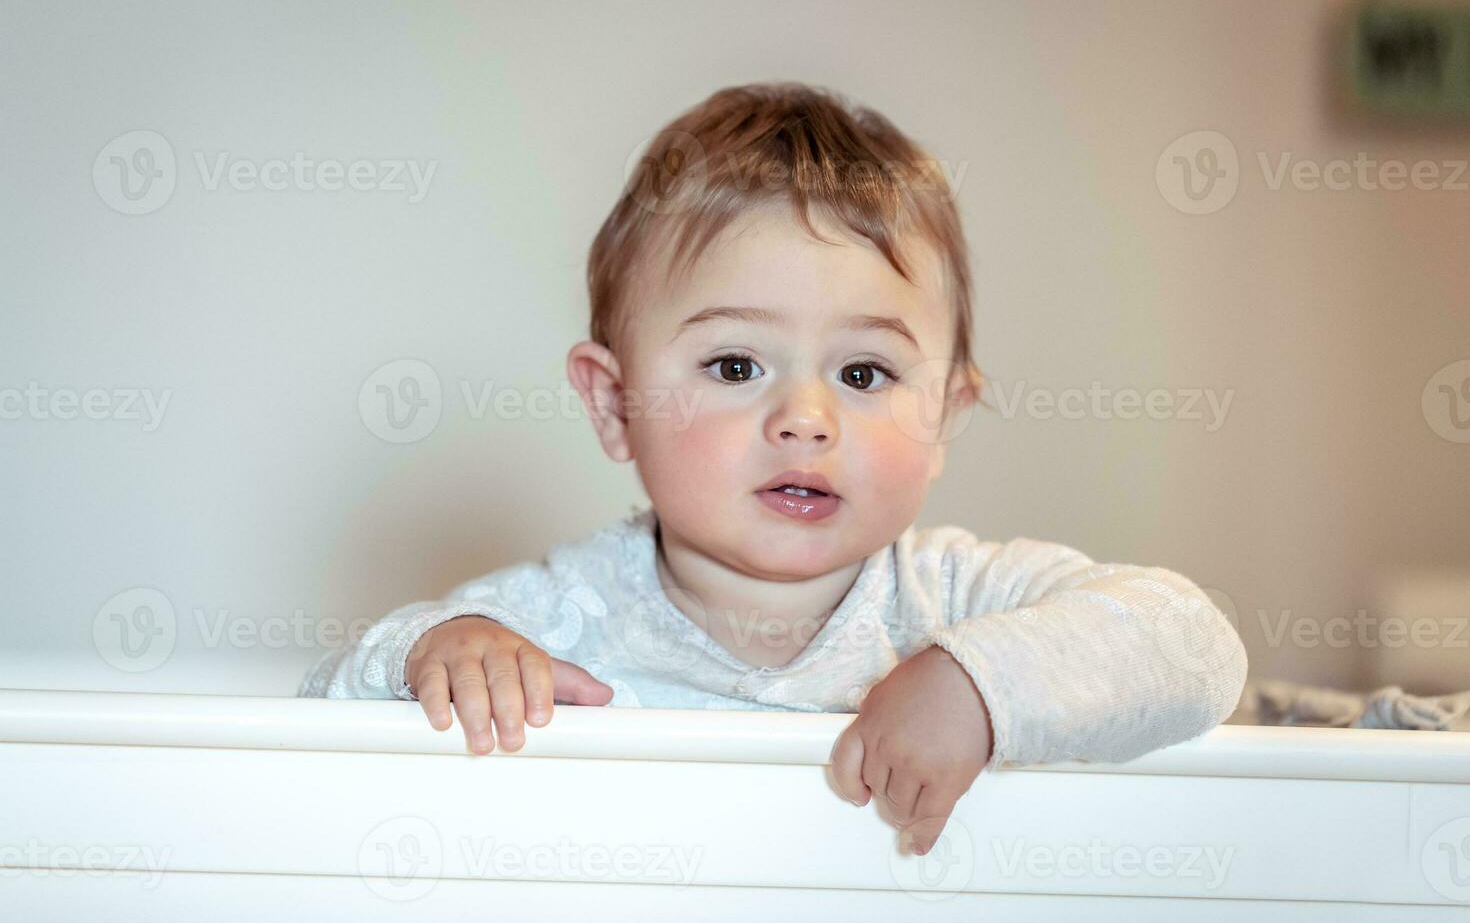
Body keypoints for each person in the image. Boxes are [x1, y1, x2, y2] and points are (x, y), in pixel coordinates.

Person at [301, 82, 1247, 856]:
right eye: (736, 366)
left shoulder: (965, 599)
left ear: (947, 411)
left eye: (865, 373)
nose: (805, 418)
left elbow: (1198, 651)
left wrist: (977, 684)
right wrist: (437, 650)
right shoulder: (558, 624)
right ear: (612, 402)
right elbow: (313, 722)